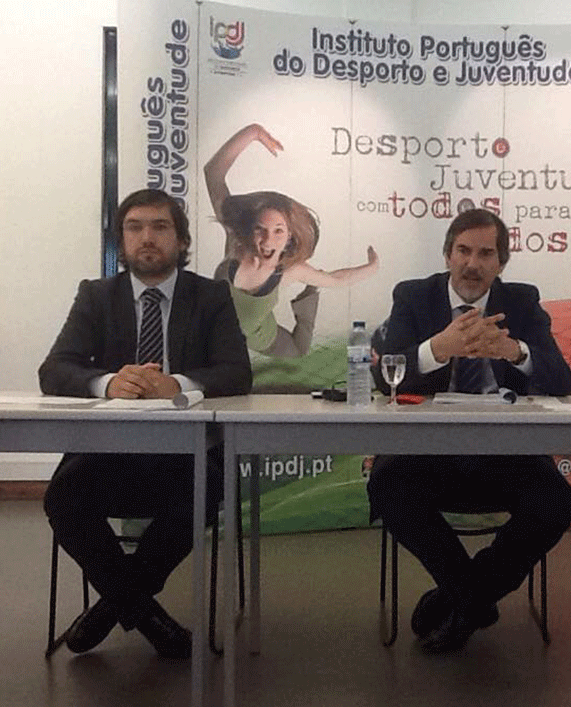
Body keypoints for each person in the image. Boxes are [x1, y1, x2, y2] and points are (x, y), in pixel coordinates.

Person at [39, 188, 253, 658]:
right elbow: (54, 370)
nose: (147, 237)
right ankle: (148, 616)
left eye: (160, 226)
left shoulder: (210, 296)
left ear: (182, 239)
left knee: (205, 490)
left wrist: (176, 385)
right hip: (107, 452)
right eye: (134, 228)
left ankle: (112, 607)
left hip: (188, 453)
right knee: (63, 497)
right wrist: (107, 383)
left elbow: (238, 373)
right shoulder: (97, 295)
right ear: (122, 240)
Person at [367, 208, 571, 652]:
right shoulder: (414, 296)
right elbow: (385, 378)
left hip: (506, 455)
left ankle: (460, 596)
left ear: (501, 263)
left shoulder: (521, 301)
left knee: (555, 501)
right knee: (387, 485)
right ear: (447, 255)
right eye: (463, 251)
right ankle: (475, 601)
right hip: (429, 453)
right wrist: (436, 349)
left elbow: (560, 379)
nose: (472, 264)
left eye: (485, 254)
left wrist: (515, 351)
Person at [205, 123, 379, 357]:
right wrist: (254, 132)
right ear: (250, 229)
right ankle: (311, 285)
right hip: (223, 333)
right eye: (260, 229)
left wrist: (372, 267)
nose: (268, 240)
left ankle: (311, 290)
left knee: (300, 350)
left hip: (261, 338)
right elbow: (213, 173)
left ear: (289, 237)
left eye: (278, 231)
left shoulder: (288, 272)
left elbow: (336, 279)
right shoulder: (236, 241)